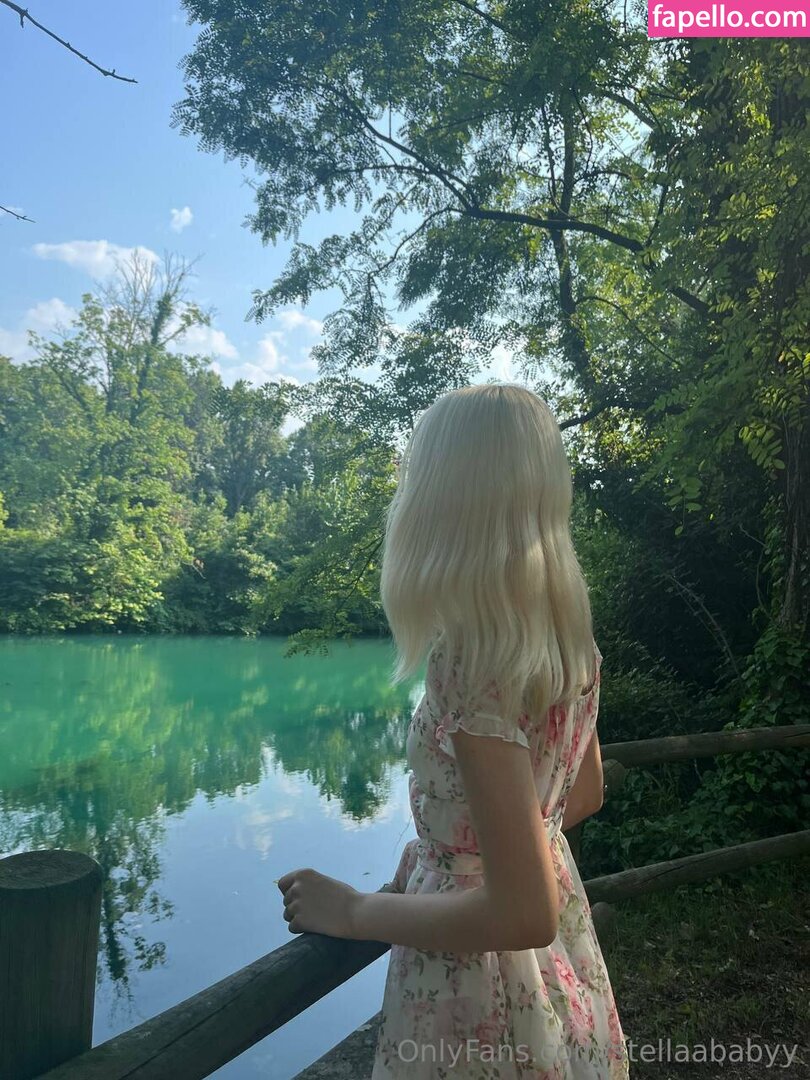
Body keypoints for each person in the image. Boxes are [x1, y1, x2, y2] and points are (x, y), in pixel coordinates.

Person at [277, 383, 630, 1078]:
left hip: (481, 987)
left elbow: (523, 914)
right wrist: (470, 855)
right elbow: (581, 795)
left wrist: (356, 910)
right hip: (557, 968)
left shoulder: (472, 666)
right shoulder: (568, 643)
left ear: (442, 503)